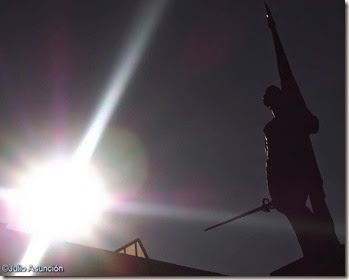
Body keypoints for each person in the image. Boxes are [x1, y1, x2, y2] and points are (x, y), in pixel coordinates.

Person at [263, 3, 341, 259]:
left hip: (306, 170)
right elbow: (271, 162)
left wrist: (274, 32)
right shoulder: (272, 129)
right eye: (272, 101)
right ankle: (315, 252)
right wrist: (275, 193)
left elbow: (285, 70)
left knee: (319, 207)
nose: (275, 104)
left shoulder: (292, 116)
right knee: (298, 214)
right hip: (289, 181)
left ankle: (329, 250)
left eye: (276, 98)